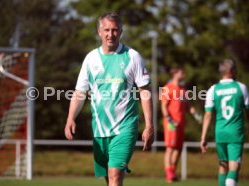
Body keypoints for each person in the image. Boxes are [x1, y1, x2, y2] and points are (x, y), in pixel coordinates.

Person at [64, 12, 154, 186]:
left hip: (125, 127)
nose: (110, 34)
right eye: (106, 30)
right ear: (99, 31)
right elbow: (80, 92)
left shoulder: (132, 57)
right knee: (109, 178)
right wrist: (70, 118)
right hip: (100, 130)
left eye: (115, 30)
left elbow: (145, 91)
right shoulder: (90, 59)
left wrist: (149, 125)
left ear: (121, 32)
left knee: (115, 175)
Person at [200, 59, 249, 186]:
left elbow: (208, 114)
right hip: (235, 132)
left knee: (223, 166)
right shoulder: (241, 87)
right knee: (234, 167)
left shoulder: (212, 89)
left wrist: (203, 137)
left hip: (220, 133)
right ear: (232, 71)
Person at [161, 66, 202, 183]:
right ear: (175, 74)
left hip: (181, 123)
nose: (183, 74)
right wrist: (168, 119)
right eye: (181, 72)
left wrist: (196, 115)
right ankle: (169, 175)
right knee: (170, 148)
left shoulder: (183, 90)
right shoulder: (167, 88)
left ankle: (172, 172)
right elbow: (163, 106)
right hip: (171, 124)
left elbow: (188, 106)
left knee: (178, 149)